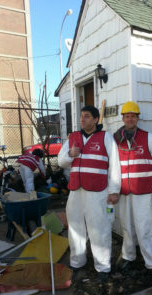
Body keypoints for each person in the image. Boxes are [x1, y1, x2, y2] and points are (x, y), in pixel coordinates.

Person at [58, 105, 121, 282]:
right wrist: (70, 154)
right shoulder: (73, 138)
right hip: (76, 192)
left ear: (95, 119)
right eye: (81, 116)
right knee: (75, 228)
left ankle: (103, 267)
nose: (82, 119)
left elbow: (115, 165)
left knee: (99, 229)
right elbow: (61, 162)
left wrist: (114, 190)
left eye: (86, 116)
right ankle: (77, 262)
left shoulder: (105, 137)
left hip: (98, 192)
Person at [114, 101, 152, 276]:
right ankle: (128, 256)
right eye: (127, 116)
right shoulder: (115, 139)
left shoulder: (148, 137)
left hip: (145, 192)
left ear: (137, 118)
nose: (130, 119)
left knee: (147, 228)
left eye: (133, 116)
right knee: (126, 226)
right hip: (124, 192)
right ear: (123, 118)